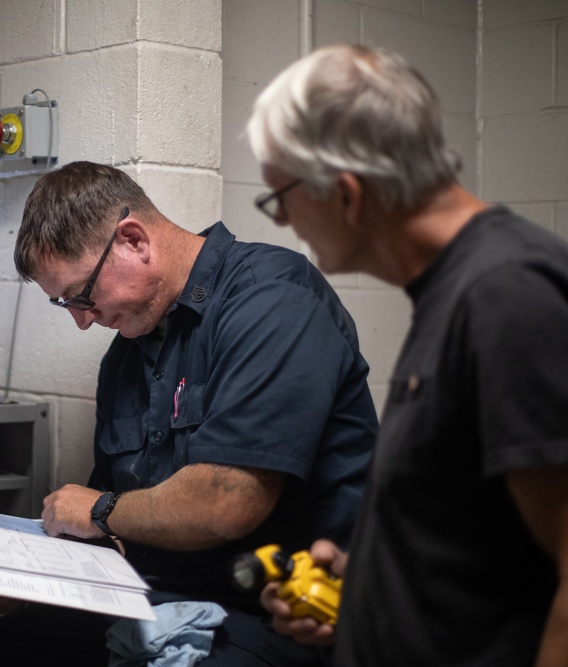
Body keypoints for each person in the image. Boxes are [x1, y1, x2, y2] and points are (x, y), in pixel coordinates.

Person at [0, 160, 378, 666]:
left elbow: (227, 501)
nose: (85, 322)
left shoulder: (272, 299)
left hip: (273, 620)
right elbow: (116, 536)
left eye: (82, 296)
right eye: (65, 305)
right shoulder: (129, 352)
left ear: (133, 240)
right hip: (145, 604)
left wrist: (99, 509)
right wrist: (21, 584)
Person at [246, 43, 568, 666]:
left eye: (280, 196)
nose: (282, 220)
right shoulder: (451, 290)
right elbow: (479, 534)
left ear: (348, 193)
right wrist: (365, 587)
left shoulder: (506, 292)